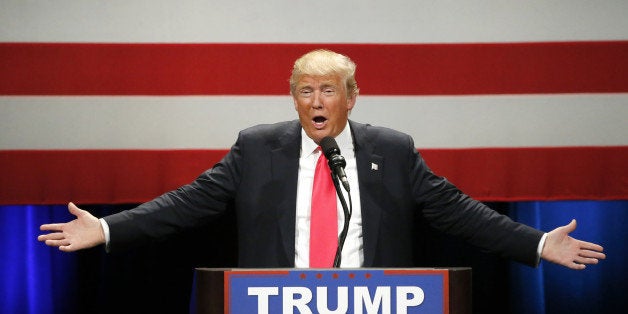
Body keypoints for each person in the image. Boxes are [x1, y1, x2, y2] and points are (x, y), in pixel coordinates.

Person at [38, 49, 605, 270]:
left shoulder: (392, 150)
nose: (316, 102)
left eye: (328, 90)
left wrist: (535, 242)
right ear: (293, 97)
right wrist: (108, 228)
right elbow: (186, 205)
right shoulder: (257, 148)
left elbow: (459, 212)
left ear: (351, 98)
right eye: (305, 90)